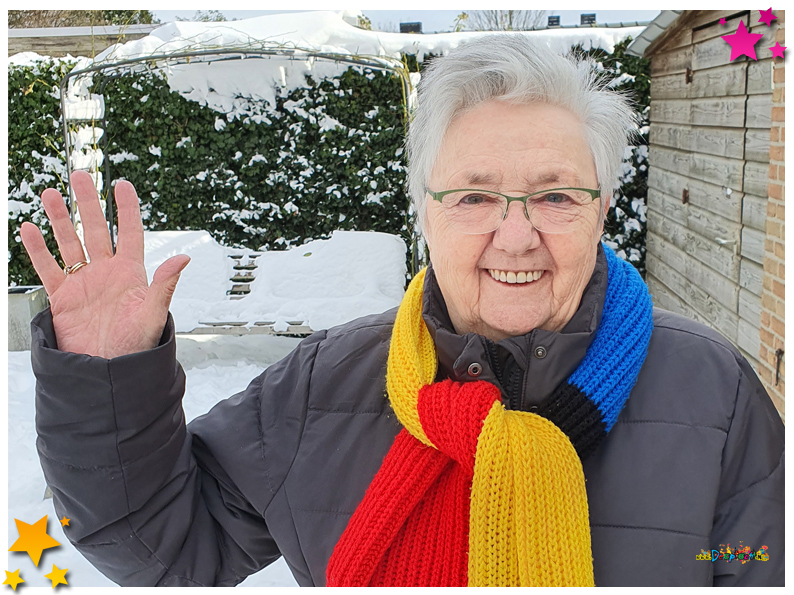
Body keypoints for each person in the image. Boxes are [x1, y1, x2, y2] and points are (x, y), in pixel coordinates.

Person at [22, 36, 783, 587]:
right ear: (426, 212)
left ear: (603, 209)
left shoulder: (712, 391)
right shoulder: (326, 383)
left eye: (555, 195)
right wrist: (105, 380)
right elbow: (164, 544)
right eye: (475, 195)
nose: (515, 235)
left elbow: (760, 566)